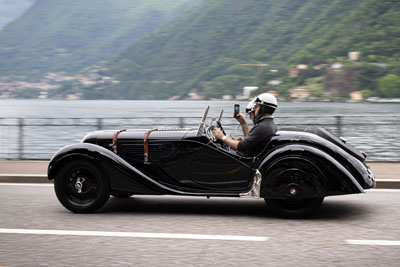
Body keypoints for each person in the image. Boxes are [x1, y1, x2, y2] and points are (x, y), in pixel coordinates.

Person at [213, 93, 278, 157]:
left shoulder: (263, 127)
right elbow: (251, 143)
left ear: (263, 108)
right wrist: (243, 123)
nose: (255, 109)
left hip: (242, 160)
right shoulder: (269, 124)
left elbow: (242, 146)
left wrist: (222, 137)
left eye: (257, 106)